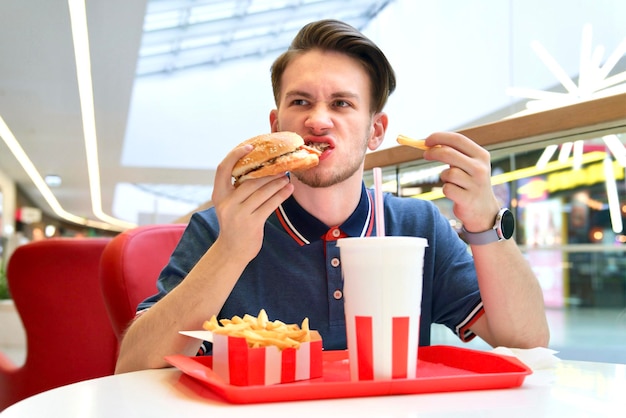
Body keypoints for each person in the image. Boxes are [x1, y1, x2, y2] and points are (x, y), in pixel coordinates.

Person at [115, 19, 549, 373]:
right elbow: (133, 368)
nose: (317, 120)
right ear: (276, 124)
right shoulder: (218, 226)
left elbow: (525, 341)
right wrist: (231, 251)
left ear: (375, 130)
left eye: (341, 104)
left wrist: (486, 221)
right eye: (300, 102)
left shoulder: (418, 227)